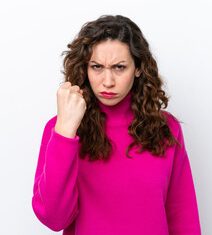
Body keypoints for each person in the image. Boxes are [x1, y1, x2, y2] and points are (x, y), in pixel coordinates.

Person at [31, 15, 201, 235]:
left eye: (119, 67)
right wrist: (65, 130)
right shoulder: (61, 129)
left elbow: (183, 219)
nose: (108, 81)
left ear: (138, 68)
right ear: (85, 69)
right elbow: (54, 218)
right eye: (97, 67)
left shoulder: (165, 128)